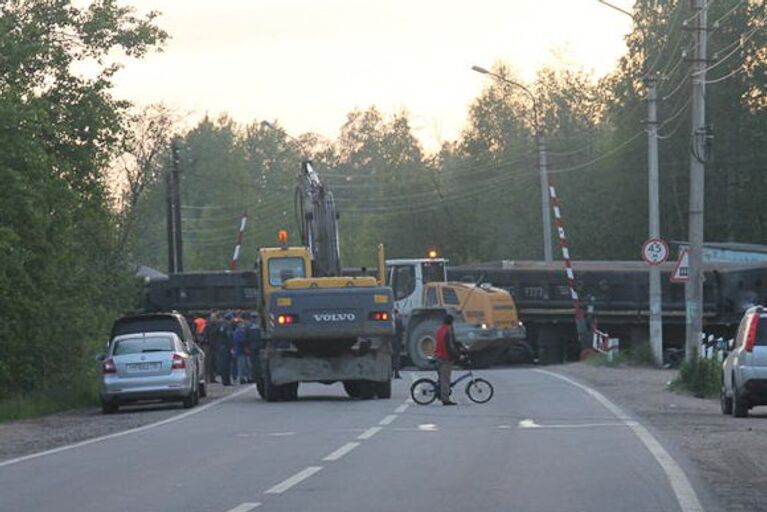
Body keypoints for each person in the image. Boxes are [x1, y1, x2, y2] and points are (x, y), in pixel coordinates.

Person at [434, 314, 461, 406]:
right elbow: (449, 347)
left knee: (442, 378)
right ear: (451, 322)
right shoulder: (447, 331)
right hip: (445, 358)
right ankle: (445, 399)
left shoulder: (440, 329)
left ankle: (440, 393)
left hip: (438, 356)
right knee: (445, 379)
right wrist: (457, 355)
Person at [245, 312, 264, 384]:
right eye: (253, 317)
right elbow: (246, 338)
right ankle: (256, 377)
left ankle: (257, 376)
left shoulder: (249, 327)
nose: (254, 319)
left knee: (256, 363)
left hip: (256, 346)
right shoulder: (259, 327)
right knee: (254, 364)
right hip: (255, 346)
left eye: (255, 317)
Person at [232, 317, 251, 385]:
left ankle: (247, 378)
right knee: (241, 366)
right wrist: (245, 348)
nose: (242, 324)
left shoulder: (242, 330)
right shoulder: (238, 331)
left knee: (246, 365)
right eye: (240, 323)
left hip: (242, 351)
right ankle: (242, 378)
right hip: (240, 351)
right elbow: (240, 341)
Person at [392, 309, 404, 379]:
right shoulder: (399, 320)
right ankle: (396, 373)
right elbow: (401, 330)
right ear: (397, 313)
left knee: (391, 357)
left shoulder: (391, 320)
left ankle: (391, 372)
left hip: (391, 341)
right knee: (397, 357)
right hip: (397, 341)